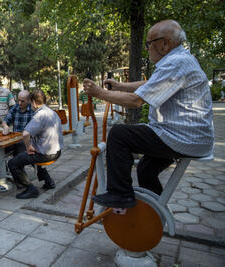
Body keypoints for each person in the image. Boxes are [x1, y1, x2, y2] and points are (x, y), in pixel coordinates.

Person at [83, 20, 214, 208]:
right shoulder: (179, 59)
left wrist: (99, 93)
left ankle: (120, 194)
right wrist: (119, 86)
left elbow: (136, 101)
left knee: (120, 134)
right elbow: (150, 85)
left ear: (164, 43)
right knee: (145, 169)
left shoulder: (176, 63)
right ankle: (154, 212)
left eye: (149, 44)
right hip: (188, 135)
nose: (147, 49)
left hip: (183, 137)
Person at [8, 90, 64, 199]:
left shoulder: (40, 114)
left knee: (13, 163)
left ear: (34, 102)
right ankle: (48, 182)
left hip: (46, 154)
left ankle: (30, 189)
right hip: (57, 151)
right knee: (33, 152)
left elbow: (25, 134)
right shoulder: (51, 112)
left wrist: (28, 147)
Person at [2, 90, 52, 187]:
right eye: (18, 100)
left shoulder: (34, 110)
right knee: (0, 151)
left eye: (22, 101)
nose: (19, 103)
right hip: (15, 140)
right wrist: (5, 126)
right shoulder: (16, 107)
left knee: (21, 157)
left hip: (29, 141)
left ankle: (23, 183)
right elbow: (5, 120)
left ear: (29, 100)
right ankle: (6, 177)